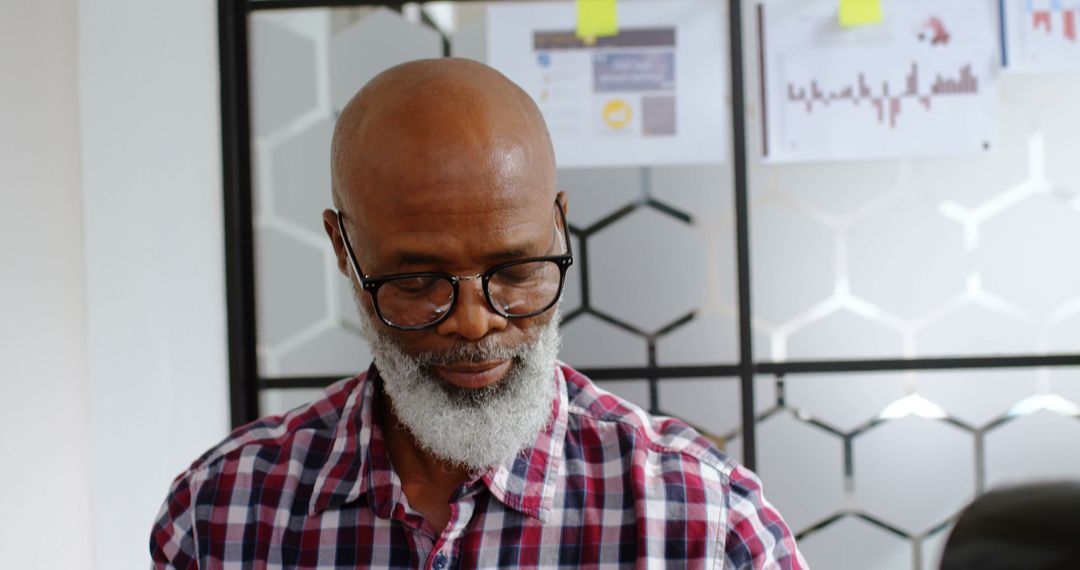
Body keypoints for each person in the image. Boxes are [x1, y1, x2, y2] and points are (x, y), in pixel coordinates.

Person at [150, 58, 806, 569]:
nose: (473, 322)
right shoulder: (224, 513)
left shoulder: (701, 518)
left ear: (558, 228)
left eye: (516, 272)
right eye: (416, 280)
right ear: (343, 250)